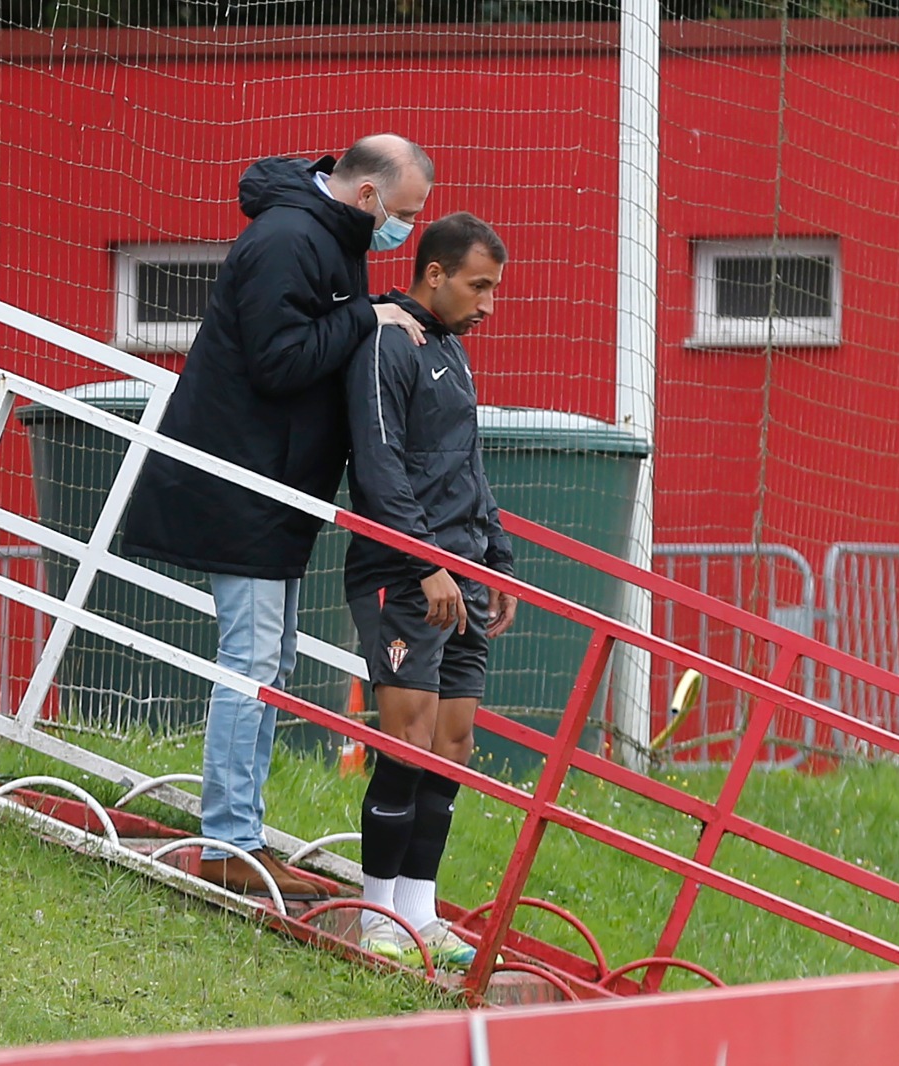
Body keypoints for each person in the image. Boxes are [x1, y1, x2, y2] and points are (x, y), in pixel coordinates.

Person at [122, 134, 435, 902]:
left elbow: (313, 335)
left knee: (270, 664)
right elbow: (278, 360)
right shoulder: (290, 238)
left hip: (272, 487)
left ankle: (241, 831)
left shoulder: (322, 234)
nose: (402, 232)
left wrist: (371, 311)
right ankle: (227, 839)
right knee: (252, 664)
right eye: (403, 215)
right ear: (367, 197)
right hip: (244, 484)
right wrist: (367, 319)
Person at [342, 212, 517, 967]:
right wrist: (423, 562)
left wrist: (498, 560)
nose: (488, 303)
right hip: (407, 576)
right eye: (478, 285)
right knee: (405, 744)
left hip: (465, 576)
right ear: (435, 274)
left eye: (495, 289)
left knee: (452, 746)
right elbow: (377, 466)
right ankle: (375, 915)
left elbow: (467, 468)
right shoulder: (388, 342)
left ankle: (420, 910)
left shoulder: (452, 351)